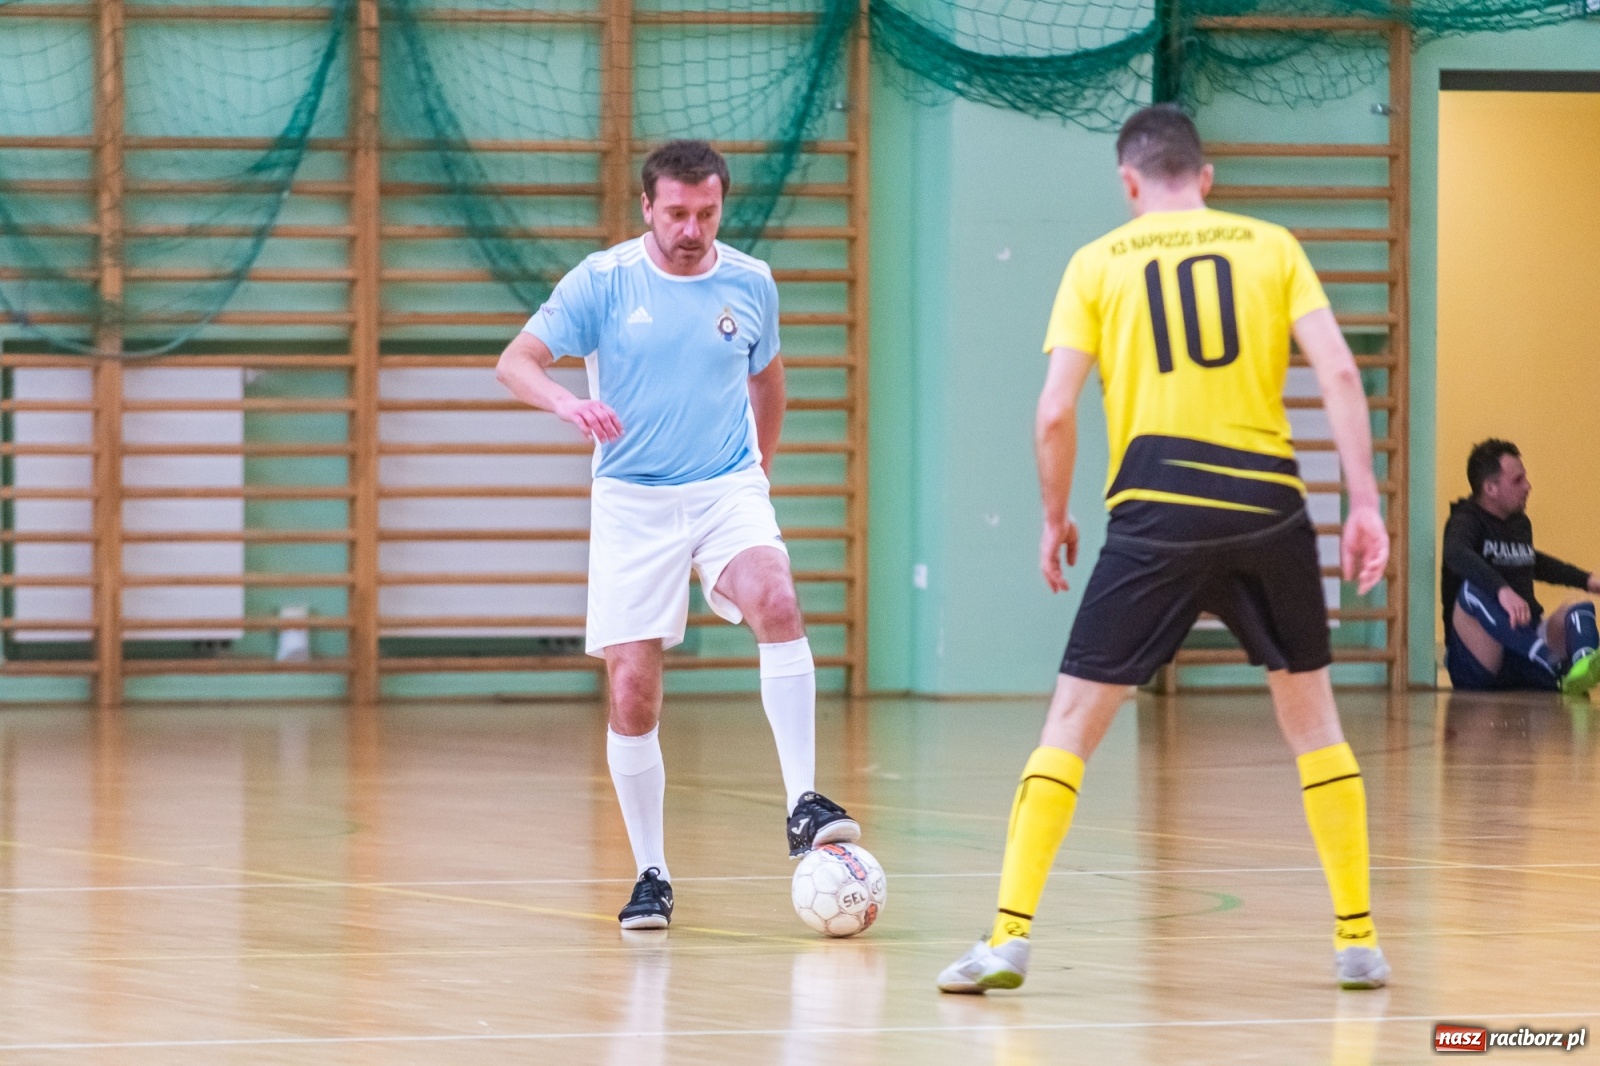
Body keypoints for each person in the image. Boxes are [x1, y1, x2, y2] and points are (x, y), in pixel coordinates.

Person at [936, 104, 1393, 994]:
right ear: (1207, 176)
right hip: (1268, 507)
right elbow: (1339, 371)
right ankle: (1358, 940)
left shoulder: (1098, 263)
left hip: (1157, 512)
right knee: (1315, 724)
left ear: (1129, 182)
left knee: (1070, 726)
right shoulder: (1270, 245)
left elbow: (1055, 409)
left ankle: (1007, 939)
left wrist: (1053, 514)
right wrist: (1363, 503)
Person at [494, 139, 860, 931]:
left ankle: (802, 801)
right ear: (648, 208)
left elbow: (768, 377)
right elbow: (516, 360)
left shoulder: (751, 282)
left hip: (725, 487)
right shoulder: (604, 280)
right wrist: (567, 406)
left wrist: (757, 468)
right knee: (632, 690)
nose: (693, 228)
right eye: (678, 213)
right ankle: (651, 873)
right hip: (633, 500)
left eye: (708, 213)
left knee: (778, 598)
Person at [1441, 439, 1600, 695]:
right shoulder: (1465, 521)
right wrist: (1502, 590)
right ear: (1491, 488)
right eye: (1518, 480)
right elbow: (1455, 553)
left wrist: (1587, 579)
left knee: (1577, 607)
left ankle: (1581, 668)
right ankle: (1551, 662)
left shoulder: (1519, 523)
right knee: (1473, 590)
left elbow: (1532, 561)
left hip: (1522, 645)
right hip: (1479, 659)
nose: (1528, 486)